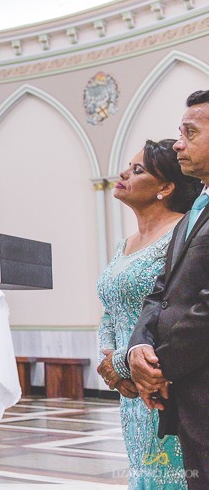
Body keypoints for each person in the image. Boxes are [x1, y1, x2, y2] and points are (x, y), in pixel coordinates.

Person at [97, 139, 200, 489]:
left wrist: (127, 366)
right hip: (129, 391)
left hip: (161, 381)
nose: (124, 173)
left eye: (138, 170)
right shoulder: (123, 244)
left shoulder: (182, 233)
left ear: (165, 187)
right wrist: (110, 363)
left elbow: (174, 308)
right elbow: (109, 309)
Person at [129, 90, 209, 490]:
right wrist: (136, 348)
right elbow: (159, 291)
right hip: (187, 391)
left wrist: (158, 367)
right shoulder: (194, 213)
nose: (179, 142)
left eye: (190, 132)